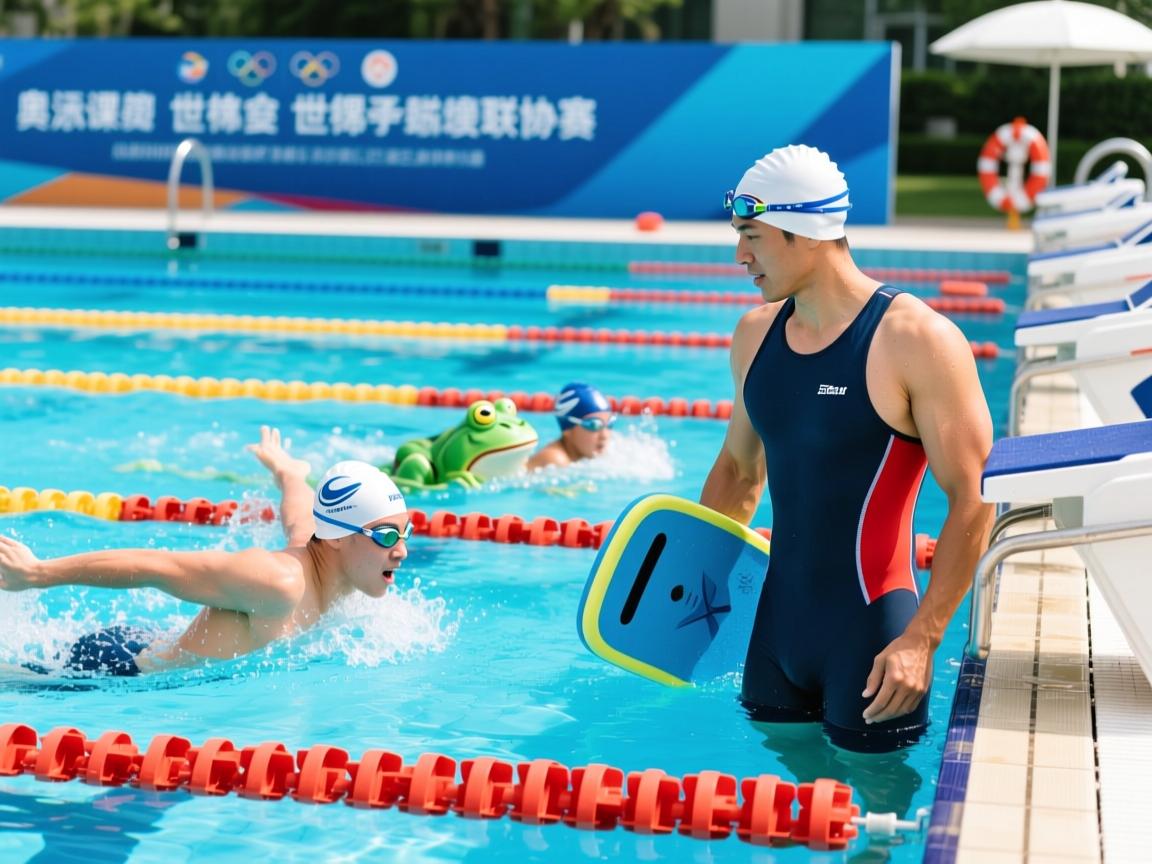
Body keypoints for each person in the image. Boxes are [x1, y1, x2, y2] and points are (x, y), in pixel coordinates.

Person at [700, 144, 994, 752]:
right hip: (774, 638)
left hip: (874, 640)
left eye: (751, 234)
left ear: (804, 233)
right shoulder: (756, 335)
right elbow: (737, 471)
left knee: (871, 830)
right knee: (780, 826)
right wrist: (689, 593)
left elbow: (975, 496)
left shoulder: (916, 340)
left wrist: (924, 639)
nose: (739, 255)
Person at [0, 426, 411, 676]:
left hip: (149, 640)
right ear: (339, 537)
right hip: (115, 671)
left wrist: (288, 472)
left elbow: (300, 513)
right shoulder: (278, 582)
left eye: (405, 533)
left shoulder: (325, 549)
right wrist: (37, 574)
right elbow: (155, 566)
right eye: (387, 536)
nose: (403, 551)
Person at [526, 382, 617, 470]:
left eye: (609, 423)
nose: (604, 435)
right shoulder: (555, 460)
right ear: (568, 429)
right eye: (594, 424)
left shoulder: (579, 455)